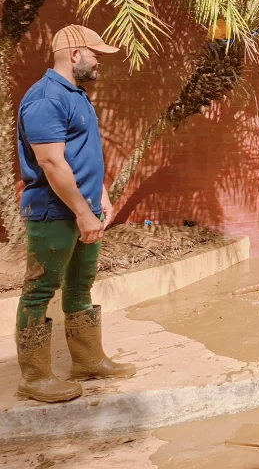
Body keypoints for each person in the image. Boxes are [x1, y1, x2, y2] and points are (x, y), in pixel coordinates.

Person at [14, 25, 136, 403]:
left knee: (80, 286)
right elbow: (51, 162)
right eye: (95, 52)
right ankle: (35, 378)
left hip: (85, 209)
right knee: (39, 291)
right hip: (54, 213)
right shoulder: (46, 98)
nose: (100, 59)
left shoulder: (77, 95)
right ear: (74, 54)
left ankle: (87, 360)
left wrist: (100, 198)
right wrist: (84, 214)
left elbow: (84, 153)